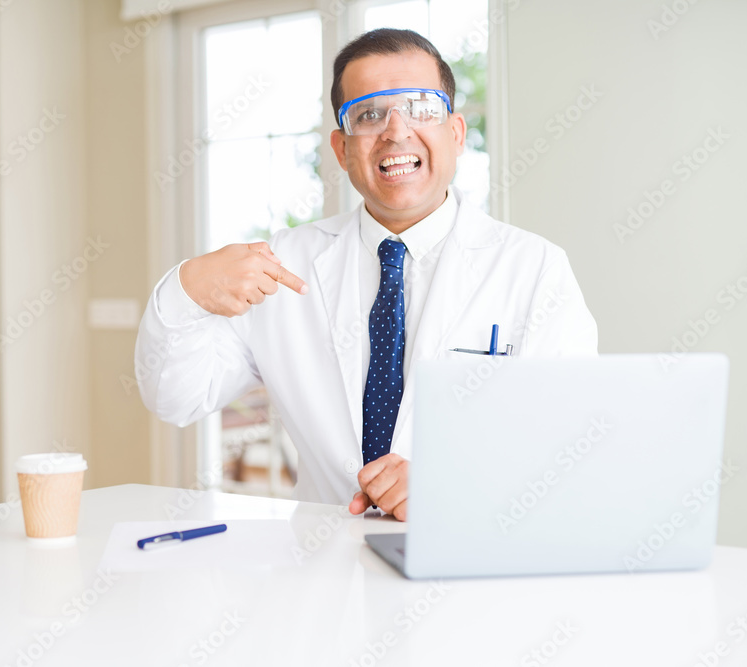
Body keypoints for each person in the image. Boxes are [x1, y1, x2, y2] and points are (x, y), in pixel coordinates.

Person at [135, 28, 597, 521]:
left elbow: (572, 443)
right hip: (325, 553)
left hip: (470, 545)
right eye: (369, 115)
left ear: (456, 133)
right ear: (341, 148)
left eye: (421, 108)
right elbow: (176, 399)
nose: (396, 131)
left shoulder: (533, 269)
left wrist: (452, 481)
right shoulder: (284, 263)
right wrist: (186, 290)